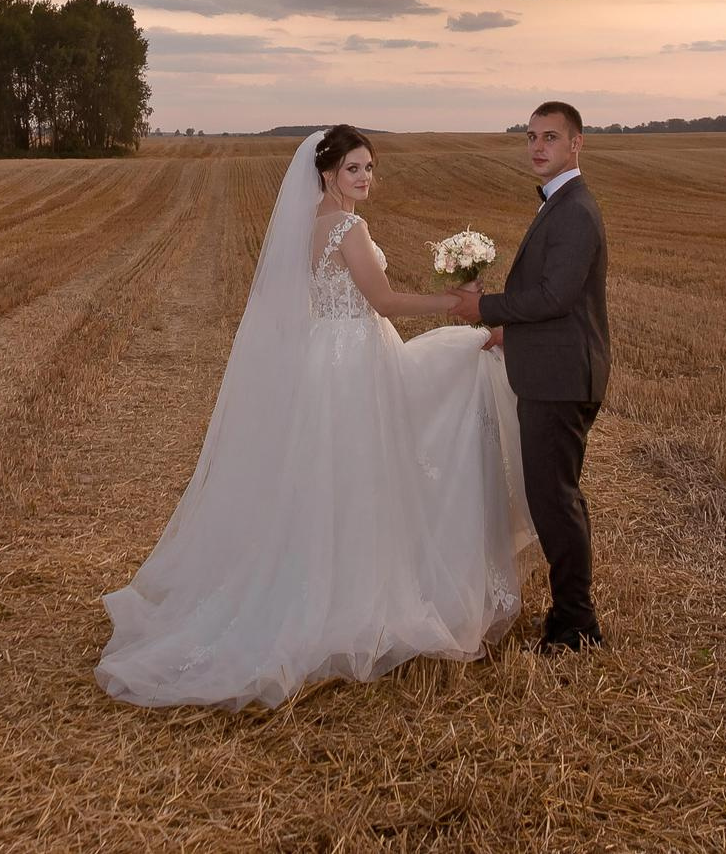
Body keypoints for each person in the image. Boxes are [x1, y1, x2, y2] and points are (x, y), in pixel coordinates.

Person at [97, 124, 534, 708]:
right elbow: (383, 302)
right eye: (353, 168)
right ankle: (354, 596)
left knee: (331, 476)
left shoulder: (306, 226)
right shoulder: (349, 227)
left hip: (326, 358)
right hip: (354, 359)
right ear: (327, 173)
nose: (364, 178)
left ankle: (322, 584)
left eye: (370, 168)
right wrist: (458, 304)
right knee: (370, 463)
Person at [452, 100, 612, 651]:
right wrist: (508, 333)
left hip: (561, 378)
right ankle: (573, 615)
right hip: (554, 368)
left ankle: (576, 625)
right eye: (530, 137)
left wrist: (486, 310)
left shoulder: (574, 210)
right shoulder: (561, 203)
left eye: (550, 137)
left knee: (554, 500)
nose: (537, 147)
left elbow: (555, 295)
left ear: (576, 144)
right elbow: (554, 301)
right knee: (557, 496)